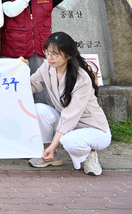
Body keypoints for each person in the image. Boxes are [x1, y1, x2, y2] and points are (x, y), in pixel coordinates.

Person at [25, 32, 110, 176]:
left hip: (93, 129)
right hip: (68, 124)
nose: (49, 57)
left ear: (68, 56)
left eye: (55, 54)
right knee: (39, 109)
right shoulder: (47, 66)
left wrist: (54, 146)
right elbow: (31, 85)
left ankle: (90, 154)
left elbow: (69, 117)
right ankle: (48, 153)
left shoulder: (81, 79)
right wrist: (21, 70)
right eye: (47, 52)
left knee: (70, 141)